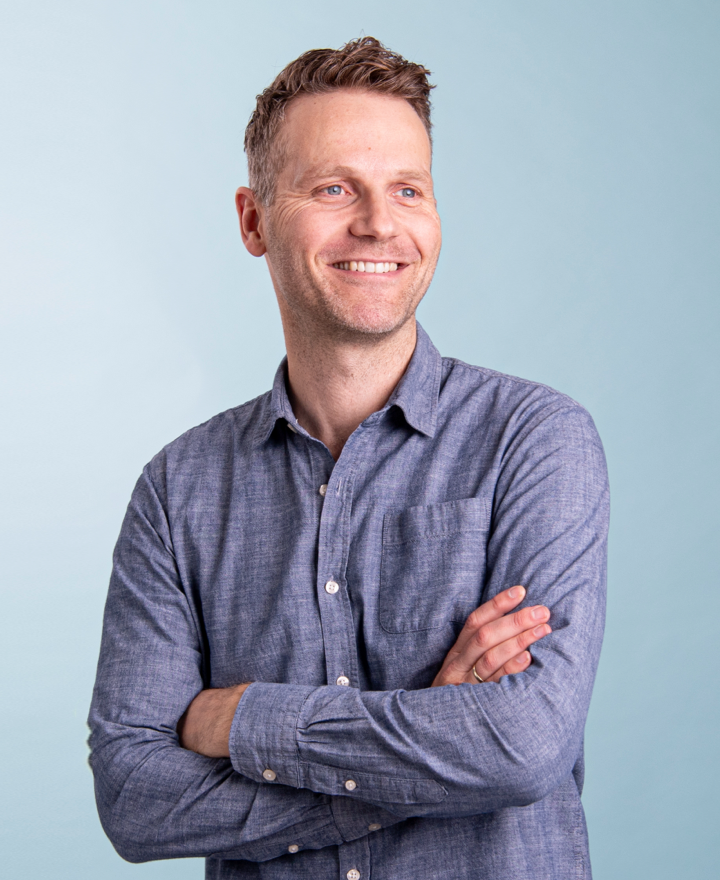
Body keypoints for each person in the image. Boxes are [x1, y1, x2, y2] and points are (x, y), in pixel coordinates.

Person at [88, 37, 609, 880]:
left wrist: (246, 721)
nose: (378, 222)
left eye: (408, 188)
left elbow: (521, 747)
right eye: (334, 189)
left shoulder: (536, 440)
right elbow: (135, 798)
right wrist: (431, 743)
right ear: (253, 220)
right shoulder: (177, 491)